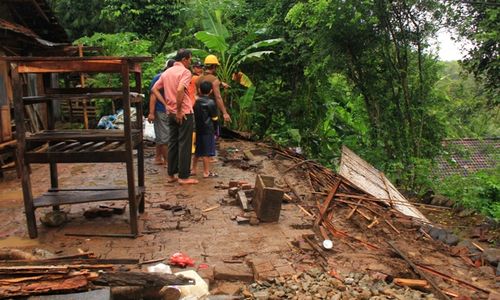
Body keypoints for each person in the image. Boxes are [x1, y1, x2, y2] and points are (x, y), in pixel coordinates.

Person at [152, 49, 198, 185]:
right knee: (185, 144)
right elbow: (180, 90)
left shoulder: (167, 72)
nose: (190, 62)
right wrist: (179, 110)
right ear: (184, 59)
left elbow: (154, 89)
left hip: (170, 112)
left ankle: (171, 174)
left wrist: (166, 103)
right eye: (189, 59)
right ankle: (184, 176)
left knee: (173, 142)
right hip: (183, 113)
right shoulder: (185, 72)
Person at [148, 59, 174, 165]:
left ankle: (158, 158)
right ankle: (168, 162)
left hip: (168, 110)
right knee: (164, 138)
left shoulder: (169, 77)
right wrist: (151, 112)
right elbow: (153, 95)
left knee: (162, 135)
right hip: (161, 110)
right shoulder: (160, 78)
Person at [192, 81, 219, 178]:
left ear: (199, 90)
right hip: (208, 129)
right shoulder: (211, 102)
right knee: (206, 152)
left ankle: (193, 169)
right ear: (211, 90)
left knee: (198, 151)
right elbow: (214, 118)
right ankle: (206, 172)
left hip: (198, 129)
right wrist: (216, 130)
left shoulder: (196, 101)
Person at [196, 54, 231, 123]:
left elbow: (207, 83)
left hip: (199, 108)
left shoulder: (198, 78)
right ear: (214, 66)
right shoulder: (214, 80)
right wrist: (225, 113)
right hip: (211, 109)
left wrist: (220, 83)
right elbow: (218, 97)